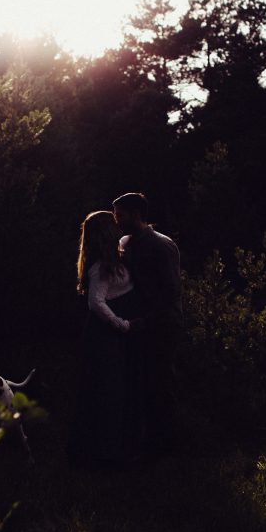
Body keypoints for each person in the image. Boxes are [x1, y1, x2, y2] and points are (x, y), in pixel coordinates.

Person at [67, 210, 144, 467]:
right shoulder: (100, 266)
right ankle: (104, 454)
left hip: (116, 337)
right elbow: (95, 303)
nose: (118, 224)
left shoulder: (116, 254)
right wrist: (122, 325)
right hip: (106, 338)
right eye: (113, 224)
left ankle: (120, 448)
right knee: (108, 392)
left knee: (122, 389)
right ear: (105, 232)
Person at [112, 192, 182, 455]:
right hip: (138, 325)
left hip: (163, 325)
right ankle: (145, 440)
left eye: (121, 215)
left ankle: (166, 444)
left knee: (162, 382)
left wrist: (147, 321)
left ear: (136, 215)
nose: (117, 220)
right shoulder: (126, 243)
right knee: (141, 383)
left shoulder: (161, 246)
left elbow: (171, 292)